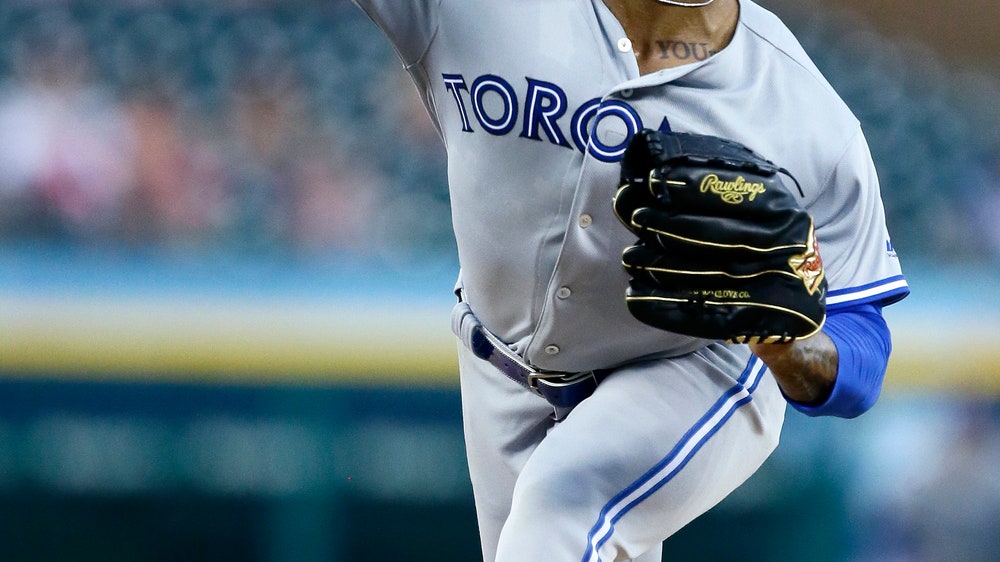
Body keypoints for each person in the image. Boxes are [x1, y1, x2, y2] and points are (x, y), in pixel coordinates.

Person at [351, 0, 909, 560]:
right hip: (497, 366)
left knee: (559, 517)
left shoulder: (806, 113)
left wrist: (788, 346)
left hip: (693, 369)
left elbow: (863, 352)